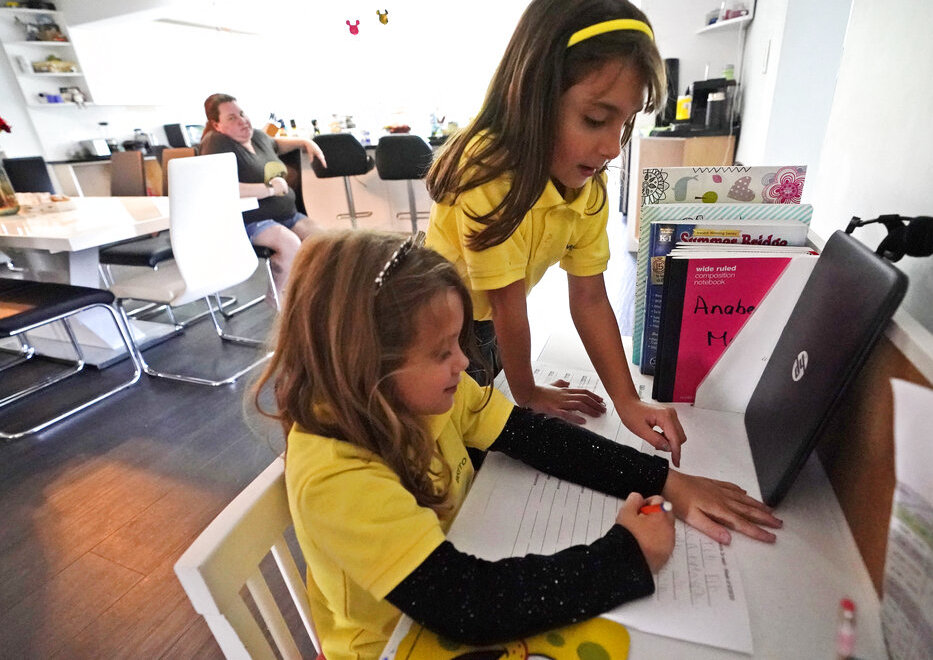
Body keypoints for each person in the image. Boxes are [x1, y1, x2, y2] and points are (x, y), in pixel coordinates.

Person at [253, 229, 781, 660]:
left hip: (448, 572)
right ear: (368, 369)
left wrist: (666, 480)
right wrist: (626, 556)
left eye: (457, 344)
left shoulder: (418, 398)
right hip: (388, 643)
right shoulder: (337, 477)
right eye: (442, 353)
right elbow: (466, 604)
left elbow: (532, 436)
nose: (463, 363)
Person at [425, 0, 686, 465]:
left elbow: (588, 297)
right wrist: (527, 393)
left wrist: (627, 401)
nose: (612, 147)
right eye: (594, 120)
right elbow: (506, 308)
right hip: (438, 333)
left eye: (624, 124)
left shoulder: (587, 185)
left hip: (486, 328)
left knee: (492, 443)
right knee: (456, 454)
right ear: (533, 96)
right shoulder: (487, 173)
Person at [199, 93, 326, 304]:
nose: (242, 120)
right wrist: (268, 189)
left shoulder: (256, 137)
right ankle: (276, 296)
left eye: (242, 113)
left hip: (286, 215)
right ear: (217, 124)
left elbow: (277, 143)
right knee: (289, 243)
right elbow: (219, 186)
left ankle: (306, 294)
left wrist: (305, 141)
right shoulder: (217, 142)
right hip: (249, 220)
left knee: (324, 240)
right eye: (231, 118)